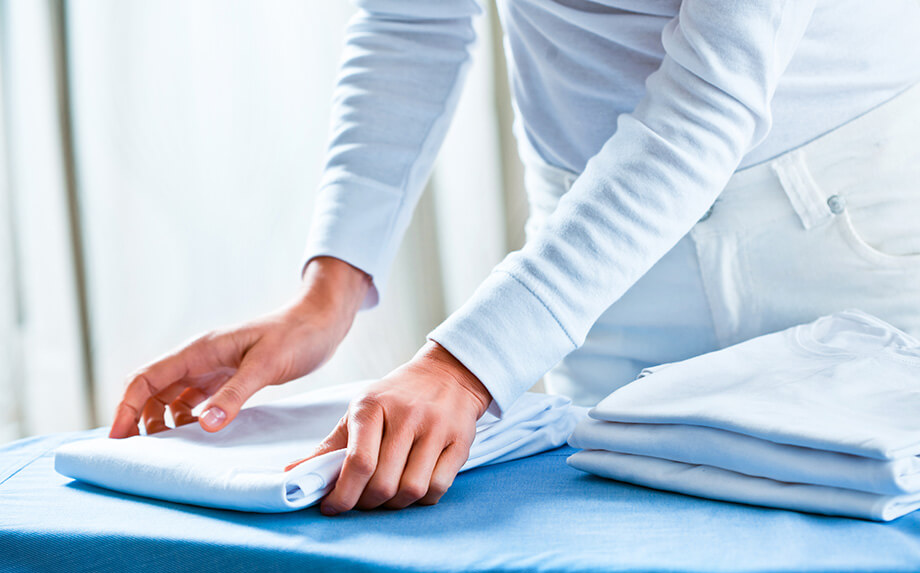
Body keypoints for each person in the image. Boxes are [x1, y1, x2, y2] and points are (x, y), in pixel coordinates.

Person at [108, 0, 920, 516]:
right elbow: (409, 21)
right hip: (600, 265)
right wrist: (332, 288)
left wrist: (465, 366)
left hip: (835, 245)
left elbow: (710, 97)